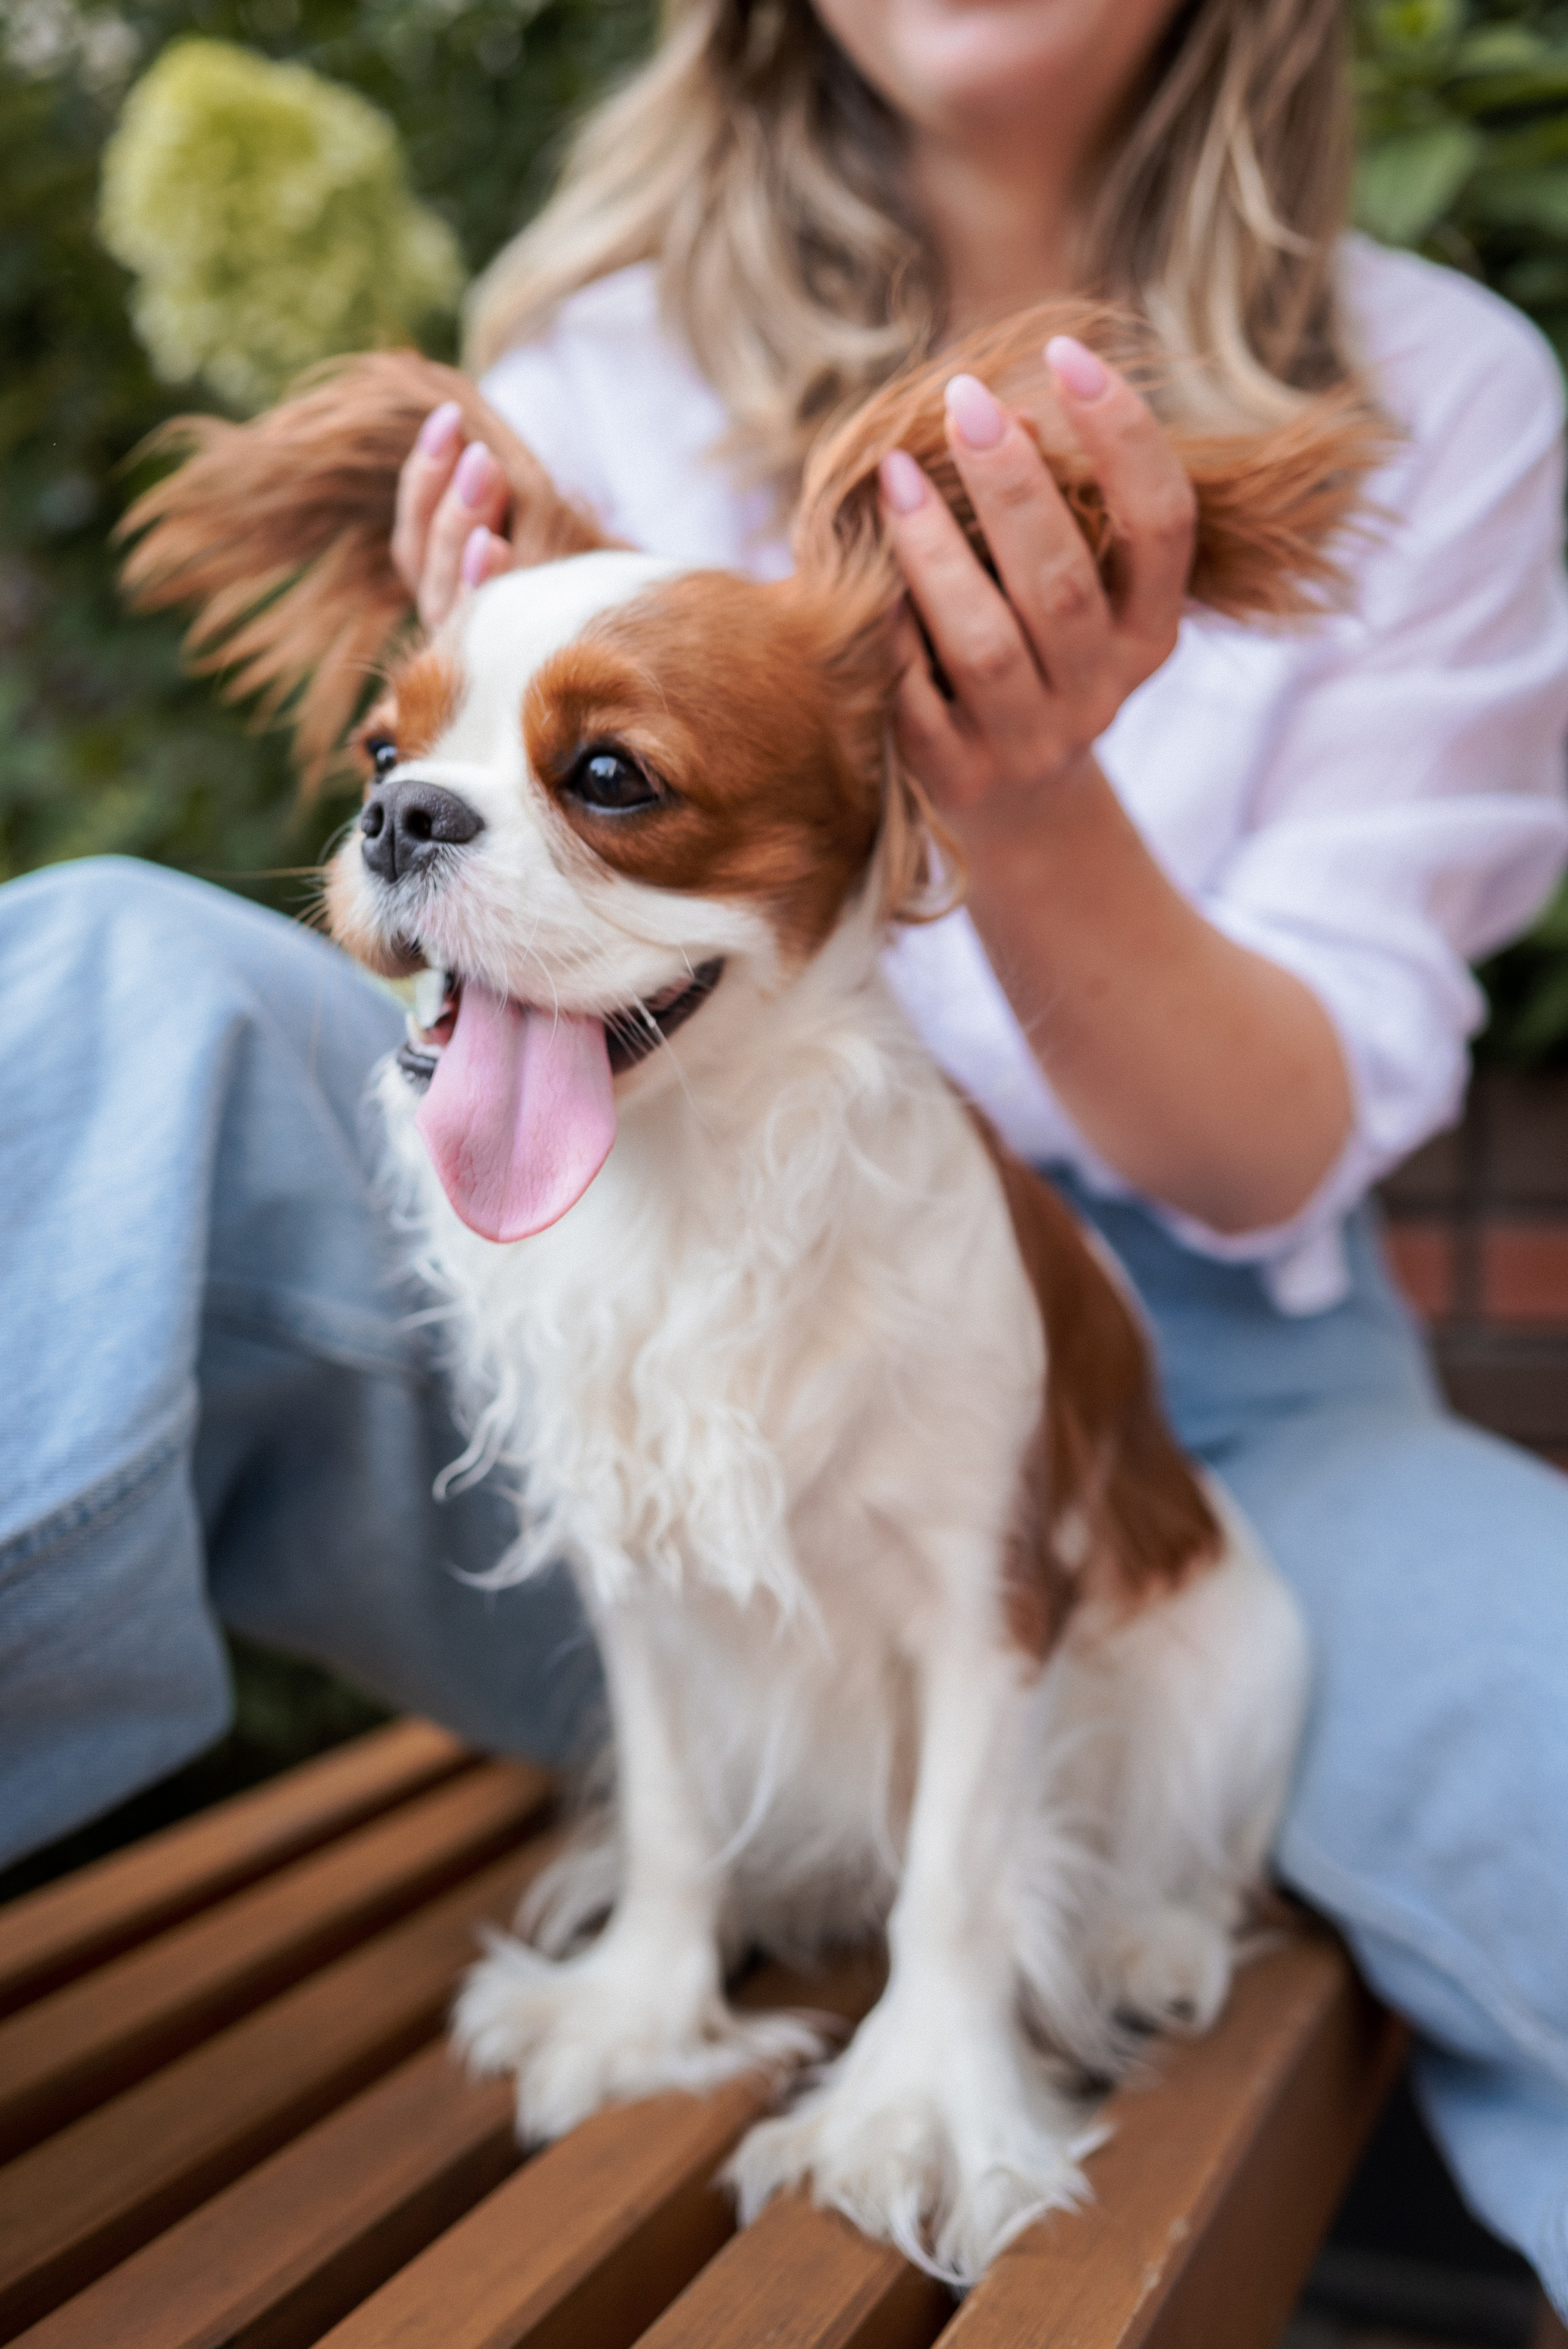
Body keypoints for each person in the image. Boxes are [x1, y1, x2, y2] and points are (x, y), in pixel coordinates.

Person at [3, 0, 1567, 2309]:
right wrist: (505, 713)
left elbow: (1278, 1140)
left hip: (1213, 1415)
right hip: (604, 1290)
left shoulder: (1448, 389)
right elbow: (501, 865)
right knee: (97, 980)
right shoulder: (586, 336)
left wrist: (1014, 794)